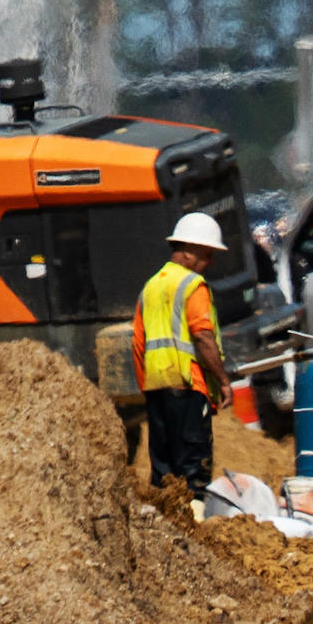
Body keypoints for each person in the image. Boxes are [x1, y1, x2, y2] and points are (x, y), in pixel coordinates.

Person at [130, 210, 233, 497]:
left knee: (163, 472)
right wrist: (223, 380)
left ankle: (164, 534)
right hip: (188, 387)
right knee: (193, 469)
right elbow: (202, 335)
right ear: (188, 251)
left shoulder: (151, 286)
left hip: (157, 389)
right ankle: (195, 527)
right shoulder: (191, 284)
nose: (210, 262)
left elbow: (138, 343)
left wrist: (146, 387)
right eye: (207, 254)